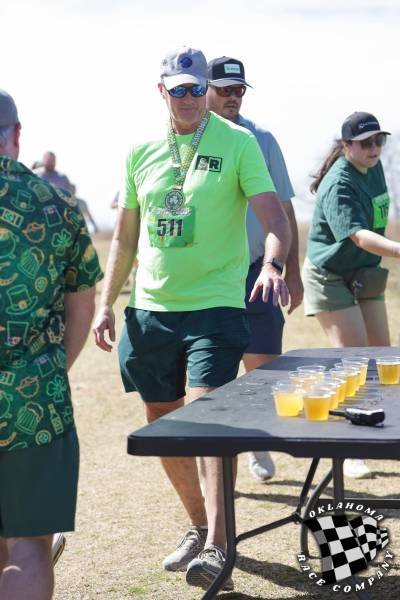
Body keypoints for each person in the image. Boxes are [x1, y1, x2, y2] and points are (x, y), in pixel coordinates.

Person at [93, 46, 291, 592]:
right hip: (151, 310)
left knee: (208, 421)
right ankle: (200, 526)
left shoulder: (238, 142)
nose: (188, 98)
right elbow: (125, 237)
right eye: (177, 89)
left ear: (207, 88)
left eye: (196, 88)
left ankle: (218, 548)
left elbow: (275, 218)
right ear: (161, 90)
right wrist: (106, 302)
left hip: (215, 305)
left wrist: (273, 264)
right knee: (165, 423)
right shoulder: (140, 150)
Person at [0, 89, 102, 600]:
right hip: (35, 399)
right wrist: (53, 369)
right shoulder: (56, 203)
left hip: (35, 395)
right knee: (30, 543)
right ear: (16, 134)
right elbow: (83, 302)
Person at [206, 56, 303, 482]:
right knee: (214, 373)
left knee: (264, 368)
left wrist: (291, 271)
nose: (233, 97)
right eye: (224, 89)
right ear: (206, 89)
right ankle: (218, 459)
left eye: (239, 90)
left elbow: (284, 210)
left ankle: (257, 441)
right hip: (208, 276)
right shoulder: (188, 139)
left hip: (258, 270)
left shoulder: (262, 139)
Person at [302, 111, 398, 479]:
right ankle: (349, 450)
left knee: (383, 360)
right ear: (346, 146)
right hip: (328, 275)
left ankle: (380, 436)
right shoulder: (338, 183)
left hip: (364, 271)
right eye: (365, 143)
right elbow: (358, 235)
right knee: (354, 364)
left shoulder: (373, 167)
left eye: (378, 141)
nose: (374, 148)